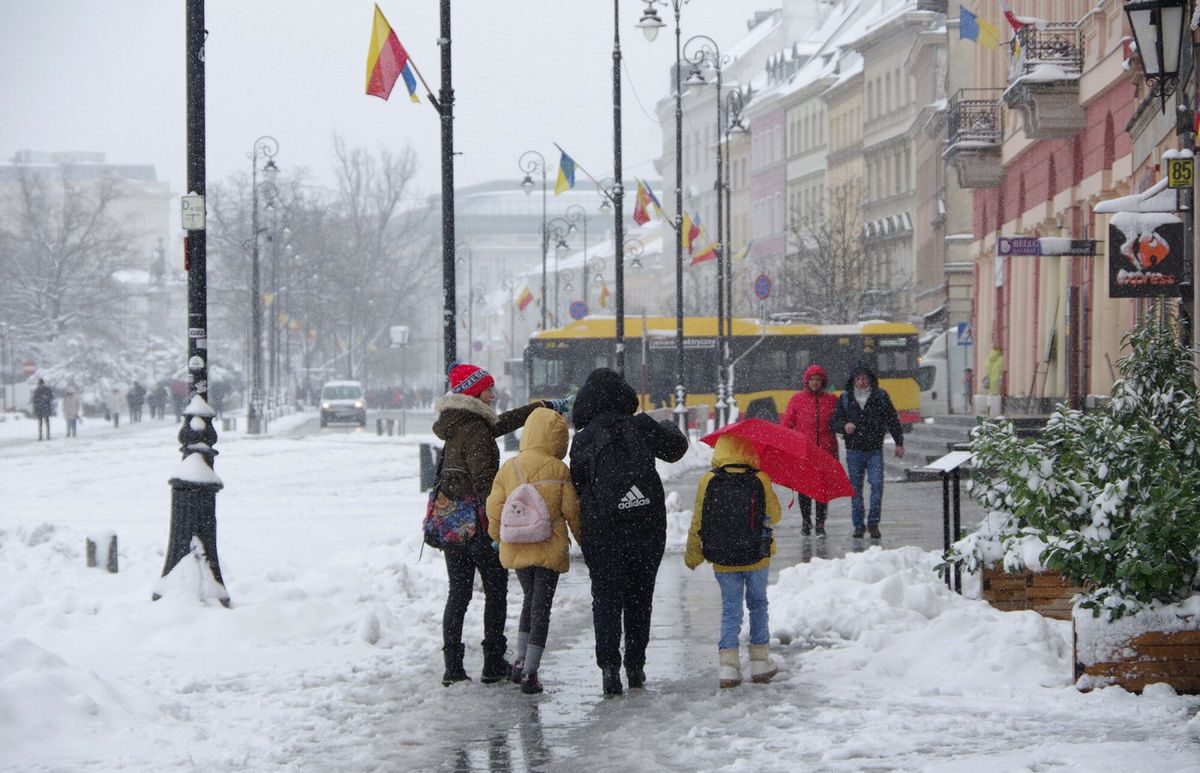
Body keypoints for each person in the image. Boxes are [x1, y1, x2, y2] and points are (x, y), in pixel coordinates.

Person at [432, 360, 566, 687]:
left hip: (452, 525)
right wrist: (498, 524)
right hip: (478, 526)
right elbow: (484, 482)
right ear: (476, 392)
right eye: (489, 388)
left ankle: (453, 665)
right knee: (495, 590)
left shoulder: (458, 423)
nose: (494, 393)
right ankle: (493, 662)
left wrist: (542, 407)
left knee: (459, 593)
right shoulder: (476, 428)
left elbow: (502, 422)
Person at [568, 367, 689, 695]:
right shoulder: (642, 426)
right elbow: (676, 448)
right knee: (640, 597)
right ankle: (635, 666)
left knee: (605, 598)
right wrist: (665, 425)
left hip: (603, 530)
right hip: (646, 526)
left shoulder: (582, 439)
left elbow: (577, 484)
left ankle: (609, 668)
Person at [485, 407, 582, 695]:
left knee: (530, 600)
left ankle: (518, 660)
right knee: (542, 607)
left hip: (516, 544)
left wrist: (497, 537)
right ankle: (531, 672)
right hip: (549, 545)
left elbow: (494, 508)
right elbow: (572, 512)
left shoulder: (509, 467)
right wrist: (584, 541)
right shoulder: (559, 470)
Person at [685, 434, 782, 688]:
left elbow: (699, 519)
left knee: (731, 608)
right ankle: (760, 662)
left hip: (723, 558)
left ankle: (728, 666)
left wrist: (693, 553)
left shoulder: (709, 479)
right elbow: (775, 515)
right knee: (758, 604)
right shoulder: (760, 479)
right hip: (756, 556)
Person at [828, 363, 905, 540]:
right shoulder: (846, 398)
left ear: (870, 379)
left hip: (874, 449)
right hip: (854, 450)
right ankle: (858, 525)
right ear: (853, 381)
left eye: (864, 378)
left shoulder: (880, 396)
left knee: (877, 485)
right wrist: (844, 426)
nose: (861, 382)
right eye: (858, 378)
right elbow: (835, 421)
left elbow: (892, 419)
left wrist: (898, 442)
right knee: (855, 489)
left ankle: (873, 523)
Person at [780, 363, 839, 537]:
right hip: (803, 451)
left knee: (822, 489)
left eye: (818, 379)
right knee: (805, 489)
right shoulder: (797, 400)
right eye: (812, 379)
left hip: (826, 451)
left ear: (823, 381)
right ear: (807, 381)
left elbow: (838, 422)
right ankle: (806, 521)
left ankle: (820, 524)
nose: (815, 383)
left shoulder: (831, 400)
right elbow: (787, 424)